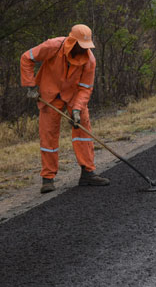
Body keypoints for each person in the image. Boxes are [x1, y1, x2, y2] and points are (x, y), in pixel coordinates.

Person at [20, 24, 110, 193]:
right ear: (71, 42)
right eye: (80, 46)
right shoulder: (53, 46)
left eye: (86, 47)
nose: (83, 50)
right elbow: (26, 58)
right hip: (50, 96)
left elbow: (85, 88)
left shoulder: (89, 60)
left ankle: (87, 173)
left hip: (74, 97)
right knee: (48, 136)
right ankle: (48, 178)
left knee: (83, 129)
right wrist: (30, 86)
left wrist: (77, 109)